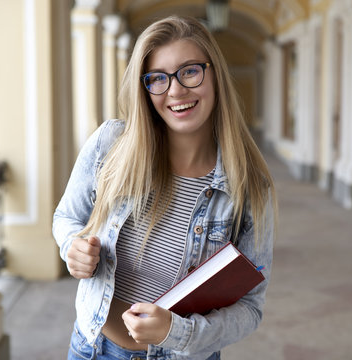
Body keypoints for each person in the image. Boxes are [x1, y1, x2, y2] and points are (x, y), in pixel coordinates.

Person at [53, 15, 276, 360]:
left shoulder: (248, 185)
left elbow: (250, 308)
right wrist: (73, 248)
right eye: (158, 78)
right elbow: (67, 217)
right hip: (92, 349)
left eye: (189, 71)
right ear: (145, 88)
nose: (175, 90)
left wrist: (178, 332)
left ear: (214, 73)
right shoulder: (111, 144)